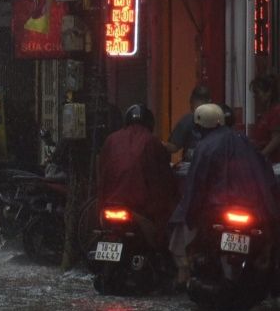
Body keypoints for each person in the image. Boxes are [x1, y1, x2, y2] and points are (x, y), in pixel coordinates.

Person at [169, 103, 280, 287]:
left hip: (217, 208)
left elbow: (196, 185)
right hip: (251, 207)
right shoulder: (245, 142)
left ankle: (183, 273)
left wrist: (188, 212)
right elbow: (265, 174)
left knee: (181, 230)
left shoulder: (205, 146)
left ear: (199, 127)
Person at [97, 104, 179, 246]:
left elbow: (101, 170)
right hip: (139, 206)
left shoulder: (111, 139)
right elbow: (163, 177)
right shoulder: (152, 141)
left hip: (109, 203)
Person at [165, 85, 212, 161]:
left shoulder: (188, 120)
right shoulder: (219, 120)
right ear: (210, 102)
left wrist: (158, 144)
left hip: (191, 167)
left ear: (192, 101)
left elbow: (173, 147)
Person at [250, 74, 280, 163]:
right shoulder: (267, 112)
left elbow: (277, 139)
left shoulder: (277, 111)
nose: (255, 97)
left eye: (257, 92)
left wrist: (260, 156)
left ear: (269, 92)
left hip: (275, 164)